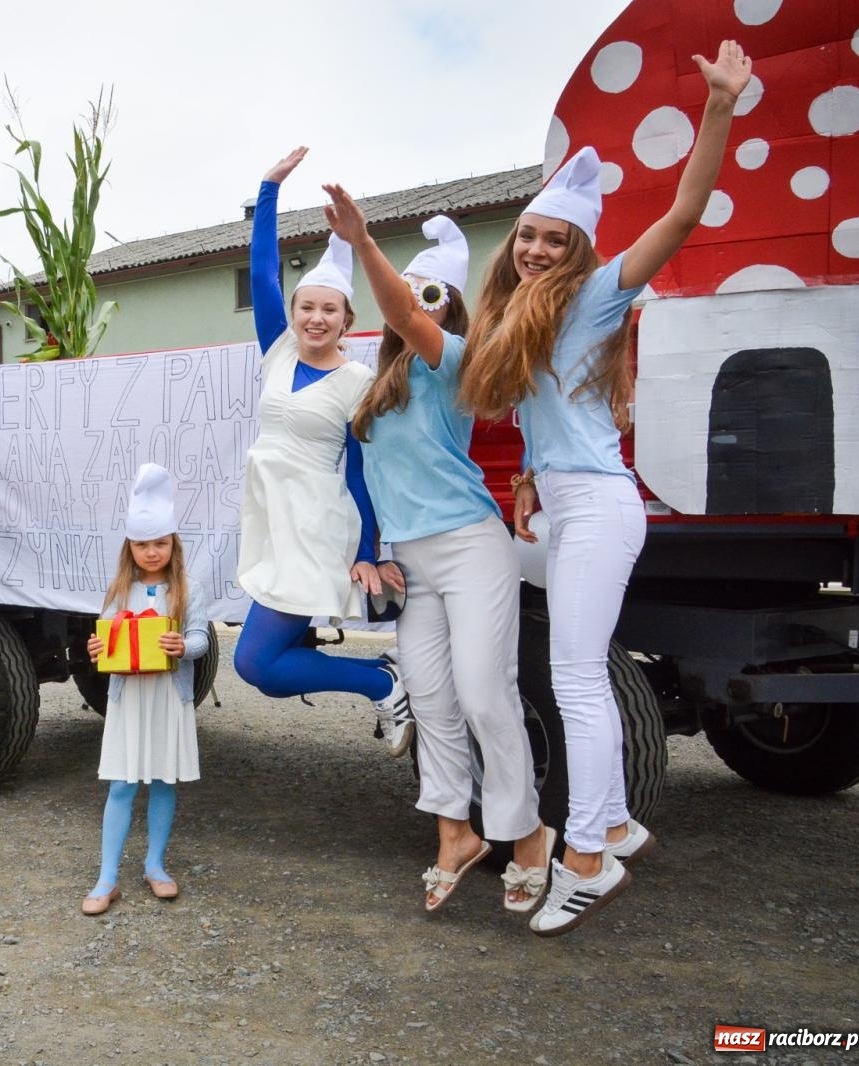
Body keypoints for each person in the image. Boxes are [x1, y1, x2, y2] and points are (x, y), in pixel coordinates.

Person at [458, 42, 753, 936]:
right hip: (574, 498)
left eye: (557, 239)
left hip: (599, 506)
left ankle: (587, 857)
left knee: (576, 679)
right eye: (530, 236)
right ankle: (617, 819)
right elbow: (544, 424)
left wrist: (718, 109)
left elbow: (685, 211)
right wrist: (528, 485)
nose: (540, 249)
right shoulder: (516, 315)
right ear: (516, 242)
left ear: (579, 248)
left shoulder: (596, 297)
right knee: (559, 652)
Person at [321, 195, 553, 913]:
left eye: (435, 296)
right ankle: (455, 832)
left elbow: (404, 314)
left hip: (470, 546)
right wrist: (369, 552)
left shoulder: (453, 358)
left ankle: (528, 836)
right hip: (411, 560)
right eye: (418, 291)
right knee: (431, 697)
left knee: (487, 693)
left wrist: (362, 244)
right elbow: (361, 476)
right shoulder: (378, 383)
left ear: (451, 308)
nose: (421, 304)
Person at [231, 147, 412, 753]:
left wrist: (367, 550)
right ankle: (385, 678)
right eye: (306, 306)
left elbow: (362, 472)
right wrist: (268, 191)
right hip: (272, 518)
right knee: (261, 662)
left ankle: (382, 683)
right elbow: (261, 274)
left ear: (346, 318)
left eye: (327, 309)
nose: (314, 317)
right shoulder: (278, 350)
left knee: (256, 663)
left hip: (313, 524)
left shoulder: (359, 383)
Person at [80, 464, 210, 916]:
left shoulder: (188, 589)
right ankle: (107, 876)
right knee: (121, 783)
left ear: (173, 544)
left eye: (159, 543)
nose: (151, 552)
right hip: (130, 698)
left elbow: (201, 638)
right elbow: (104, 642)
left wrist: (183, 646)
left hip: (167, 697)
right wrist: (98, 646)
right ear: (129, 547)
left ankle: (156, 864)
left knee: (161, 780)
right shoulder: (119, 590)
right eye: (142, 544)